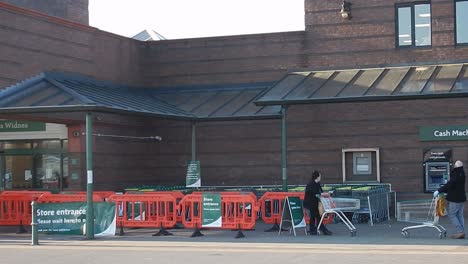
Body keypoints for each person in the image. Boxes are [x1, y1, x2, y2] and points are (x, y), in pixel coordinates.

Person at [434, 160, 466, 239]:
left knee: (452, 214)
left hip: (455, 199)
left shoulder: (456, 173)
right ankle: (461, 231)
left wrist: (439, 190)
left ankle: (460, 231)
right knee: (459, 215)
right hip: (461, 198)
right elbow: (454, 185)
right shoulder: (462, 173)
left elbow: (450, 184)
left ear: (455, 166)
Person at [303, 170, 332, 235]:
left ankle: (317, 229)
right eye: (320, 176)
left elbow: (320, 192)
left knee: (317, 216)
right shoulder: (311, 184)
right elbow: (315, 193)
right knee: (314, 216)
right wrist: (323, 194)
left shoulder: (317, 184)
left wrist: (325, 193)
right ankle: (317, 229)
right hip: (310, 203)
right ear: (317, 177)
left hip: (315, 202)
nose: (320, 177)